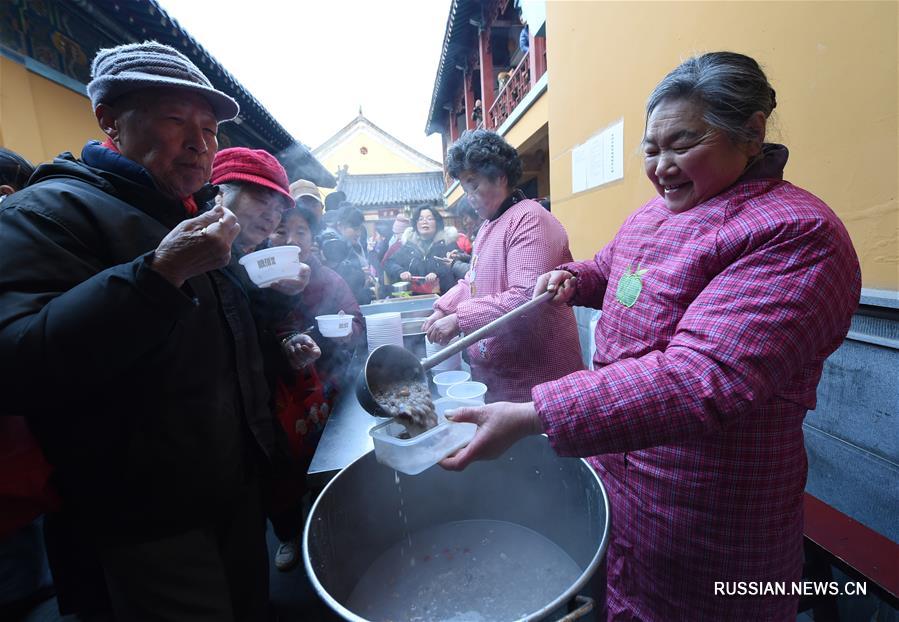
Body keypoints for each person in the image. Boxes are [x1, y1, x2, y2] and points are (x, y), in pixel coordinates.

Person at [440, 52, 861, 621]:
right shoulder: (650, 216)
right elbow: (612, 271)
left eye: (683, 144)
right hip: (619, 478)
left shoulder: (796, 234)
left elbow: (700, 377)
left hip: (711, 509)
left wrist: (533, 414)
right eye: (651, 148)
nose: (662, 166)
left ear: (753, 132)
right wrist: (572, 277)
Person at [0, 41, 280, 621]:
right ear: (110, 121)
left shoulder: (191, 214)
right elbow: (18, 364)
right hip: (147, 519)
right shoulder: (46, 213)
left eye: (209, 128)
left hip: (233, 494)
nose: (199, 142)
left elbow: (222, 340)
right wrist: (159, 273)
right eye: (176, 120)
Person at [423, 130, 583, 402]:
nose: (469, 197)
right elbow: (473, 281)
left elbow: (526, 297)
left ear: (500, 176)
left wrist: (460, 318)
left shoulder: (530, 219)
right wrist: (444, 308)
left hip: (537, 382)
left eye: (474, 185)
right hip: (501, 379)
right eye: (465, 188)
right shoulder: (488, 225)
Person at [384, 205, 460, 295]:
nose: (424, 222)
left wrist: (438, 273)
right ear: (416, 224)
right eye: (420, 219)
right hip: (414, 299)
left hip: (444, 297)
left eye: (430, 218)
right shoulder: (408, 247)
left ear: (437, 222)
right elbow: (389, 263)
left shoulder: (448, 244)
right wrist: (401, 272)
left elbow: (459, 265)